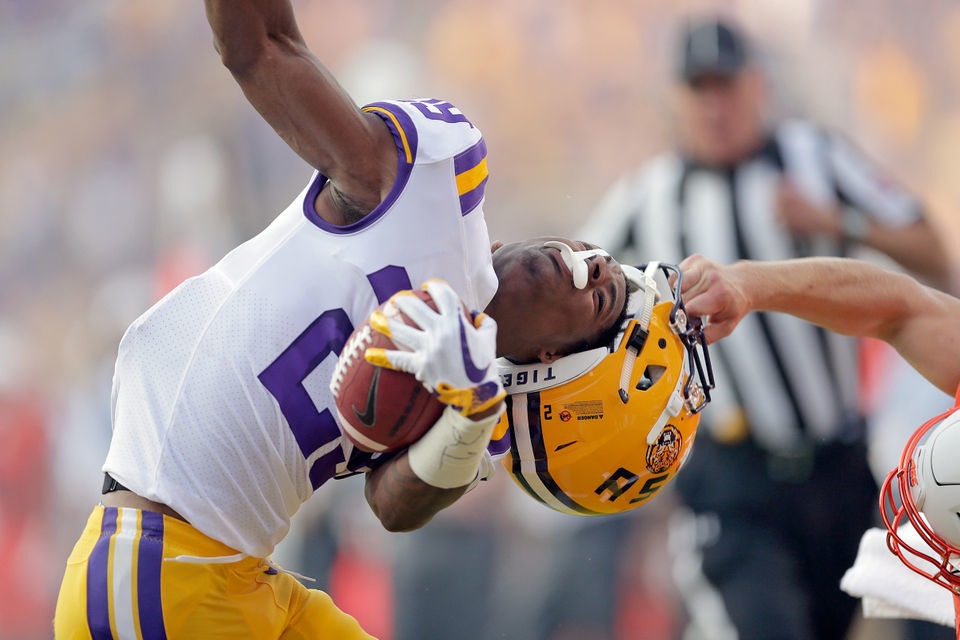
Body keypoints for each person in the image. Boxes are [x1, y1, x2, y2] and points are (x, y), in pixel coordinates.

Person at [52, 1, 636, 638]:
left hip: (224, 577)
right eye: (599, 256)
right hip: (160, 565)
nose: (594, 265)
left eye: (602, 297)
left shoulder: (471, 406)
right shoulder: (432, 185)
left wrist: (470, 415)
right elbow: (259, 45)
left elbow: (393, 506)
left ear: (552, 355)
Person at [579, 16, 950, 640]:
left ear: (757, 86)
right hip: (733, 480)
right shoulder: (645, 197)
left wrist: (835, 221)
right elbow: (579, 289)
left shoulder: (816, 156)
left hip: (839, 463)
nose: (715, 106)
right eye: (700, 90)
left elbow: (933, 253)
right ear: (678, 99)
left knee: (927, 614)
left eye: (726, 86)